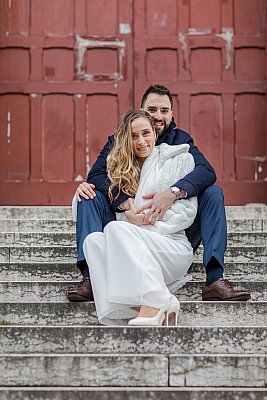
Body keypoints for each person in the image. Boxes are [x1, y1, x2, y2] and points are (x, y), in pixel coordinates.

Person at [67, 84, 250, 302]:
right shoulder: (118, 140)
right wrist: (123, 201)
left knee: (212, 193)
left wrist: (172, 192)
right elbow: (96, 174)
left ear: (171, 114)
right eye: (152, 109)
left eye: (164, 110)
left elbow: (206, 171)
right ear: (141, 110)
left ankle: (214, 280)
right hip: (124, 224)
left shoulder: (181, 142)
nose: (158, 116)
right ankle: (91, 278)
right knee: (89, 195)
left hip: (170, 229)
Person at [72, 109, 198, 326]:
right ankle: (121, 314)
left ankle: (158, 301)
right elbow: (95, 205)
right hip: (130, 251)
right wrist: (82, 190)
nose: (141, 141)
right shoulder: (116, 168)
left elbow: (186, 213)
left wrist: (142, 225)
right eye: (133, 135)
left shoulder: (179, 159)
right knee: (92, 242)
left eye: (146, 133)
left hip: (170, 247)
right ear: (125, 138)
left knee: (115, 229)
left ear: (155, 134)